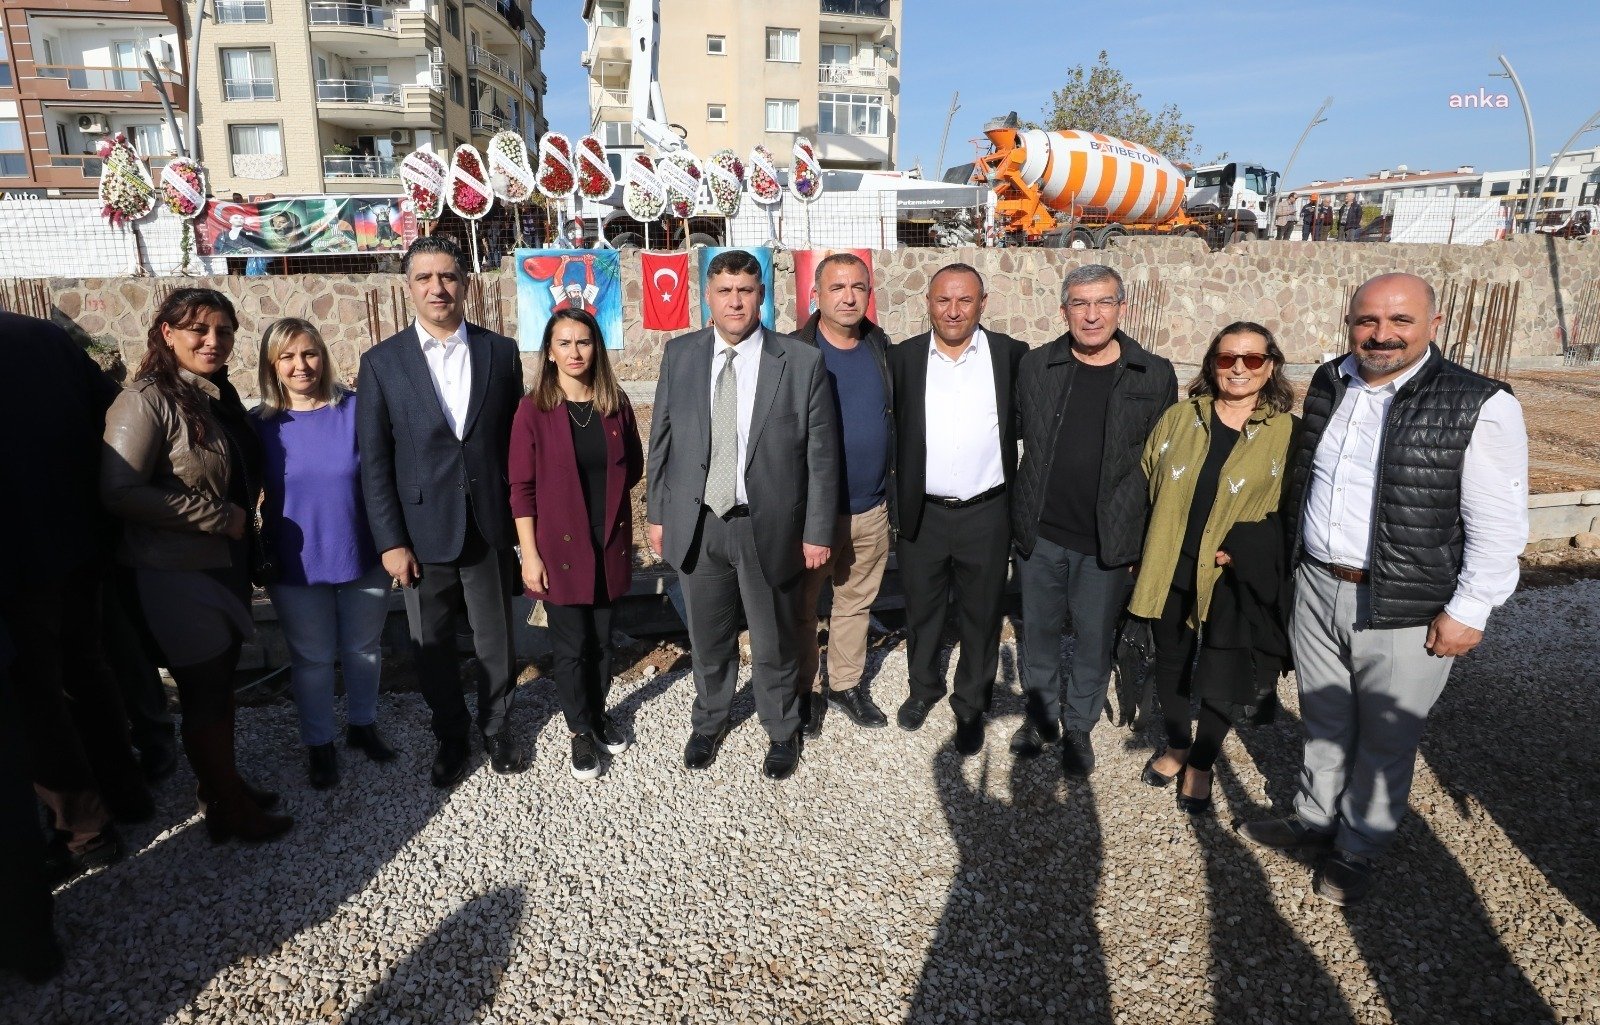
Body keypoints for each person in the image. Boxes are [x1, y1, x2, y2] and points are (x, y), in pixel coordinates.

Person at [1237, 273, 1529, 907]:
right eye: (1367, 320)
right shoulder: (1330, 382)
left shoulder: (1478, 403)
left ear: (1434, 323)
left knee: (1387, 733)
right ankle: (1315, 818)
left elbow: (1499, 519)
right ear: (1349, 322)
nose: (1382, 334)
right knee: (1324, 717)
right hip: (1318, 581)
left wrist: (1471, 608)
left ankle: (1360, 844)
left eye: (1400, 320)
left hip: (1402, 599)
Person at [102, 288, 293, 843]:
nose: (213, 341)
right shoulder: (144, 401)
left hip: (221, 564)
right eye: (198, 330)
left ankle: (221, 785)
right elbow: (118, 491)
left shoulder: (212, 393)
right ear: (167, 333)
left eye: (224, 331)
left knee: (217, 686)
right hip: (175, 571)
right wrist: (214, 516)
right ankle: (229, 810)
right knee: (205, 692)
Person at [646, 249, 840, 781]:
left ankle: (781, 730)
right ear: (707, 297)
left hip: (768, 526)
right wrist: (657, 513)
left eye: (746, 291)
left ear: (762, 296)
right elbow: (661, 440)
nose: (736, 301)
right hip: (699, 520)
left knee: (773, 636)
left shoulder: (800, 363)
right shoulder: (681, 355)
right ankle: (709, 720)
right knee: (708, 637)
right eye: (725, 291)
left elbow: (822, 457)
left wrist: (818, 528)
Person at [358, 234, 528, 788]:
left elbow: (513, 445)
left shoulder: (500, 354)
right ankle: (450, 735)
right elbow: (375, 462)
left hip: (487, 524)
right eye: (424, 278)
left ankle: (498, 726)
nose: (437, 287)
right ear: (408, 287)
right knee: (430, 645)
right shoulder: (381, 364)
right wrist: (390, 541)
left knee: (495, 637)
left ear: (465, 282)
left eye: (448, 276)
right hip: (420, 531)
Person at [1010, 264, 1177, 774]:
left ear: (1121, 308)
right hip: (1042, 533)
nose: (1092, 314)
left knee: (1093, 638)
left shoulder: (1154, 373)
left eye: (1103, 302)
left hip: (1108, 541)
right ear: (1064, 310)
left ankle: (1078, 725)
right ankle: (1040, 716)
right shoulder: (1037, 366)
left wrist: (1145, 544)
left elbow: (1162, 465)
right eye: (1080, 303)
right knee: (1036, 634)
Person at [0, 310, 149, 878]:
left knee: (37, 692)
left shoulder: (36, 337)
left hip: (16, 555)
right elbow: (112, 407)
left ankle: (85, 829)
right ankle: (128, 793)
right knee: (87, 667)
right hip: (78, 537)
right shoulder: (41, 335)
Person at [1130, 322, 1297, 814]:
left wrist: (1250, 544)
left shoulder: (1288, 433)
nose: (1239, 369)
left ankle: (1202, 761)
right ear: (1211, 363)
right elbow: (1144, 480)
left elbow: (1293, 511)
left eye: (1251, 359)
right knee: (1171, 658)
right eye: (1227, 359)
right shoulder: (1181, 418)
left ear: (1270, 366)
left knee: (1224, 666)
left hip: (1232, 573)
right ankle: (1179, 744)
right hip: (1172, 561)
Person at [888, 263, 1027, 755]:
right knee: (922, 610)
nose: (953, 310)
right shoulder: (902, 359)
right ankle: (924, 689)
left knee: (982, 613)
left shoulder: (1010, 356)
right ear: (928, 302)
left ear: (982, 303)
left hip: (986, 512)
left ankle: (971, 703)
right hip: (923, 512)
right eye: (943, 300)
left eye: (964, 300)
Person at [252, 318, 395, 791]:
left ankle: (362, 725)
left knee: (363, 649)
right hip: (296, 563)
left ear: (323, 355)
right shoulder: (261, 427)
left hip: (362, 551)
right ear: (272, 365)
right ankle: (319, 744)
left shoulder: (356, 411)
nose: (301, 366)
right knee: (311, 659)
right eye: (288, 357)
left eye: (309, 353)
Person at [509, 308, 643, 780]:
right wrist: (530, 554)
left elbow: (635, 468)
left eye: (583, 342)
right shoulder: (534, 410)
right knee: (572, 646)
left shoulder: (615, 403)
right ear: (549, 352)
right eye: (563, 343)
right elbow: (521, 488)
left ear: (596, 348)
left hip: (606, 542)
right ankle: (579, 730)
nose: (574, 352)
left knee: (603, 642)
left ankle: (600, 712)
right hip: (559, 549)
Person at [793, 252, 894, 735]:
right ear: (816, 295)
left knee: (855, 601)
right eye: (837, 288)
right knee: (803, 607)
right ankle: (802, 691)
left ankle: (845, 684)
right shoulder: (793, 352)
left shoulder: (880, 346)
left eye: (858, 287)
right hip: (813, 514)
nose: (849, 296)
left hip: (870, 508)